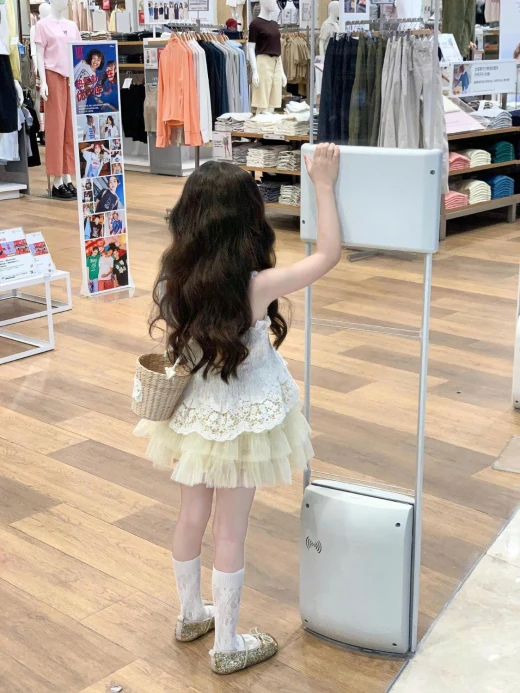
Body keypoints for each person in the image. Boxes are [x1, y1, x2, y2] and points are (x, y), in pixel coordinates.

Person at [133, 144, 341, 675]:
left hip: (194, 417)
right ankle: (227, 643)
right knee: (231, 530)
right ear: (249, 221)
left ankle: (190, 615)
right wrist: (322, 184)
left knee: (190, 515)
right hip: (245, 420)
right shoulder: (256, 286)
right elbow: (327, 256)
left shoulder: (172, 282)